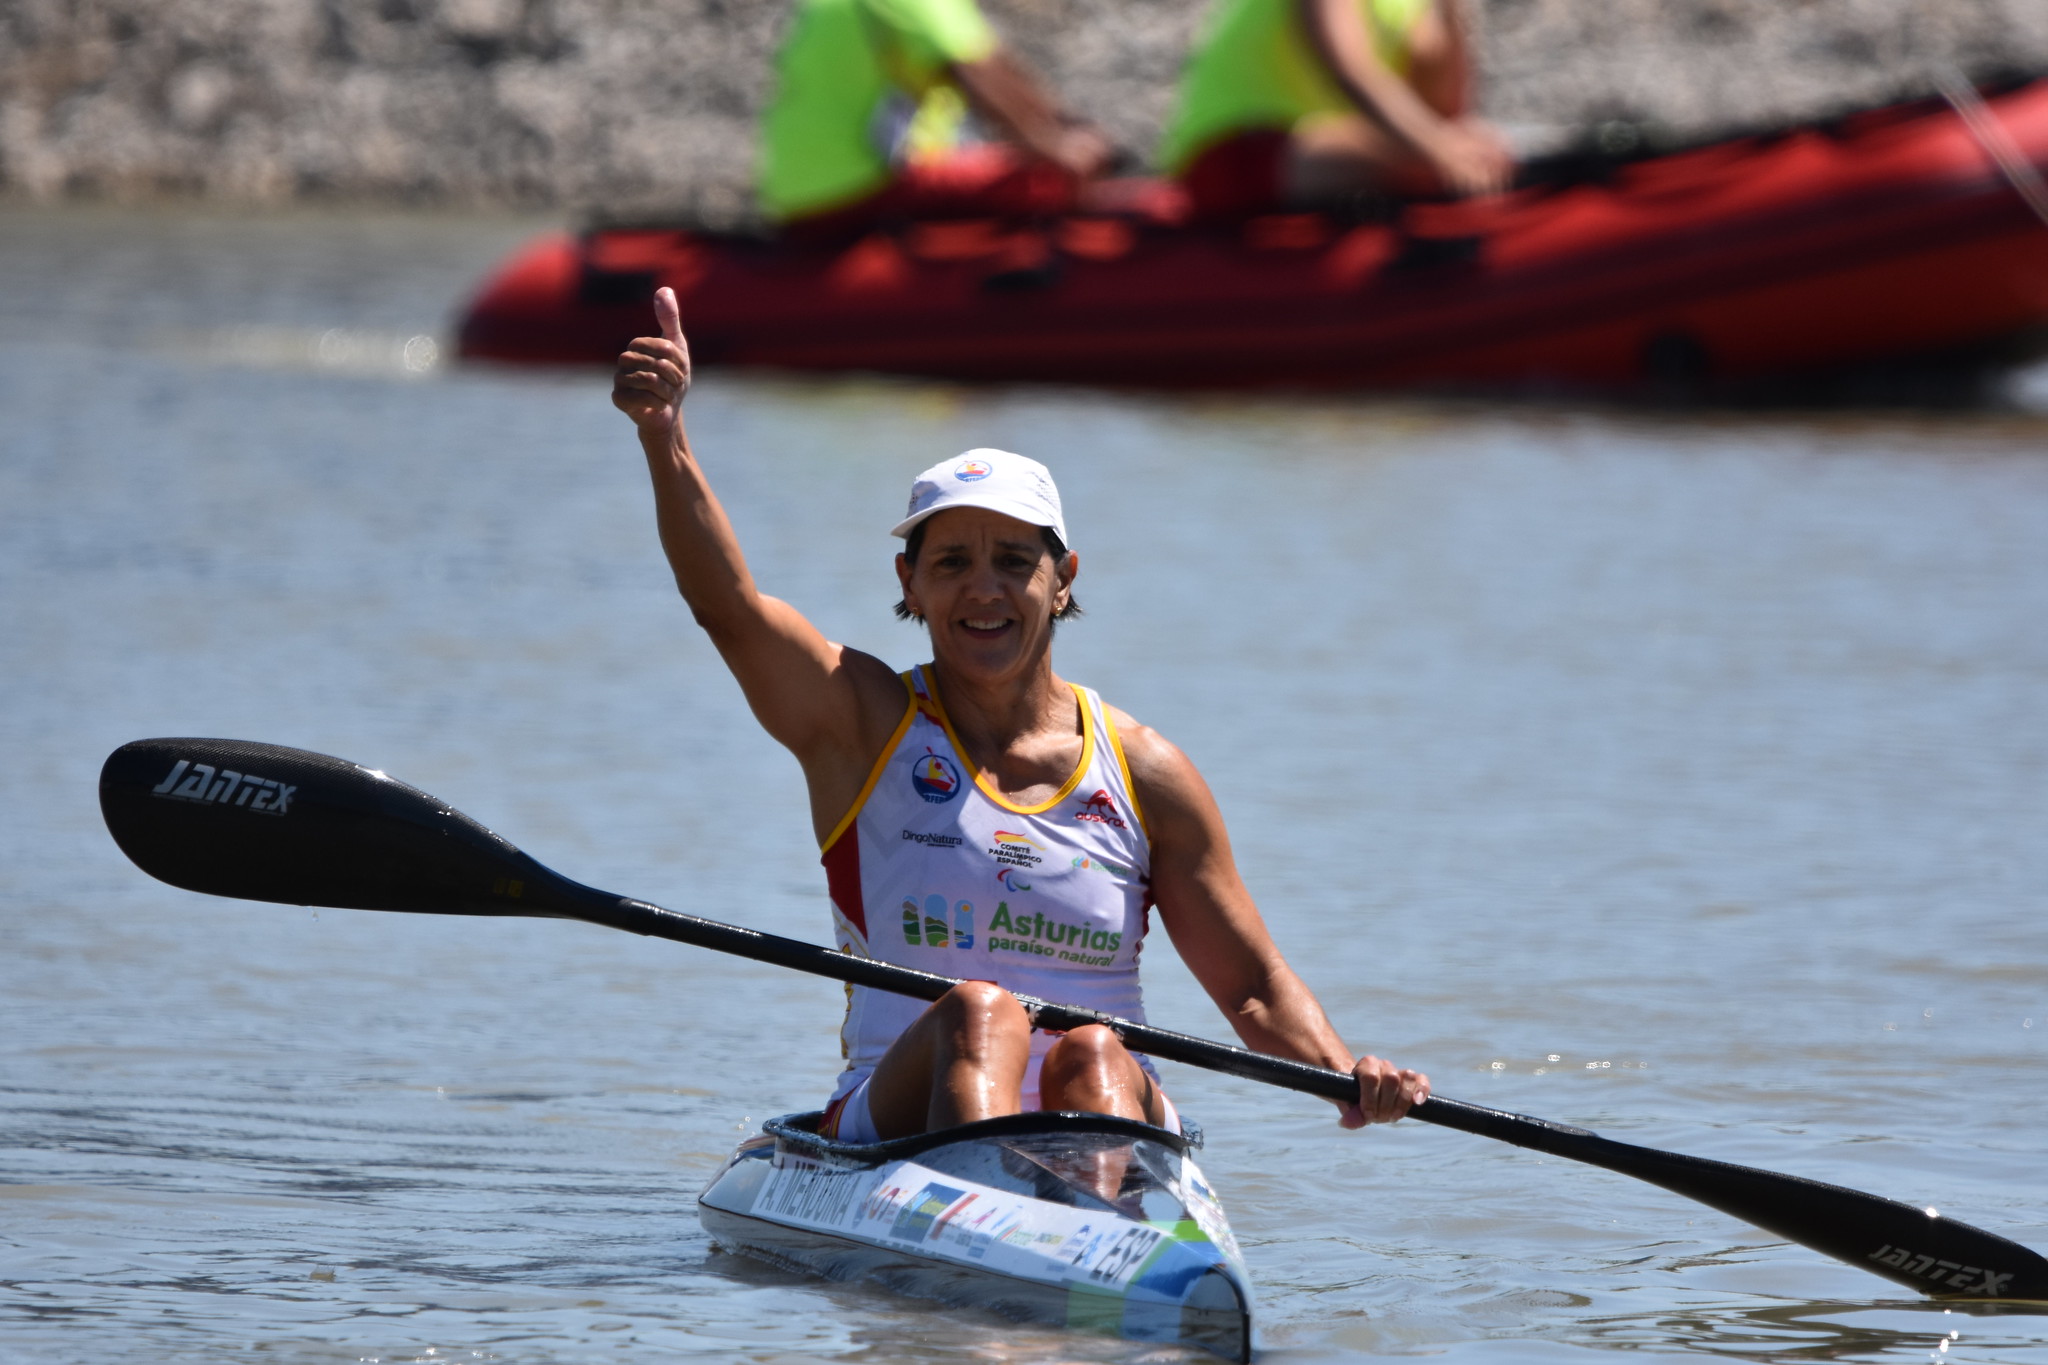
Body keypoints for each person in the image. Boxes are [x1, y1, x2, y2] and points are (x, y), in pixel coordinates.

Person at [612, 287, 1430, 1142]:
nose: (984, 589)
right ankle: (996, 1202)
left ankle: (1095, 1233)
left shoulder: (1146, 772)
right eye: (953, 561)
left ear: (1063, 576)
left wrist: (1347, 1073)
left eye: (1012, 560)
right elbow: (730, 609)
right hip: (902, 1115)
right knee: (981, 1012)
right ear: (909, 583)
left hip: (1107, 1104)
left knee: (1097, 1055)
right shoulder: (861, 722)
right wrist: (665, 438)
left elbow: (1253, 986)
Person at [758, 0, 1114, 235]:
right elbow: (978, 70)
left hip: (798, 195)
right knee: (1044, 179)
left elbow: (999, 70)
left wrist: (1065, 125)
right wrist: (1060, 151)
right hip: (858, 187)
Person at [1157, 0, 1513, 218]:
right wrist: (1437, 151)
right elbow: (1347, 65)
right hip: (1236, 143)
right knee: (1425, 160)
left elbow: (1442, 110)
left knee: (1476, 146)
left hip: (1314, 142)